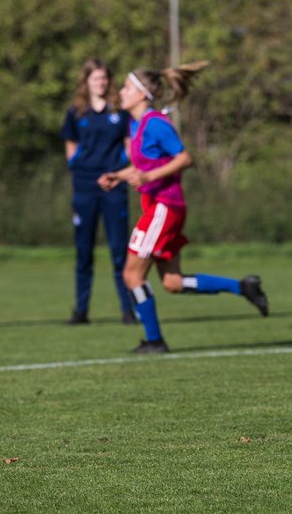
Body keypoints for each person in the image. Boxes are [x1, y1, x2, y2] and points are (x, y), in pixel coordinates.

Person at [99, 62, 268, 354]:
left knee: (132, 276)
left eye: (127, 88)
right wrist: (119, 175)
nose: (121, 93)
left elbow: (184, 158)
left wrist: (148, 177)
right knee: (173, 282)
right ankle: (243, 287)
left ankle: (154, 341)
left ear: (142, 94)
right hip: (159, 206)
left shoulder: (155, 123)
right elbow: (145, 166)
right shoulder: (137, 124)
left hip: (164, 207)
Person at [60, 58, 135, 325]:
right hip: (85, 186)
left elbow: (129, 144)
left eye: (104, 78)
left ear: (108, 81)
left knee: (119, 250)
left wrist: (118, 171)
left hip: (113, 185)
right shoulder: (76, 112)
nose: (100, 83)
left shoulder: (120, 111)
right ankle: (81, 310)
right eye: (95, 78)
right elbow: (70, 144)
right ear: (87, 81)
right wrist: (76, 165)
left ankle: (128, 309)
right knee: (84, 251)